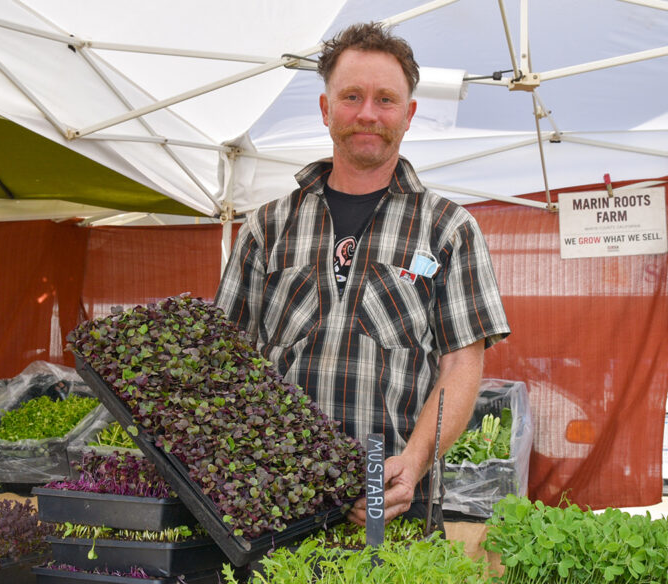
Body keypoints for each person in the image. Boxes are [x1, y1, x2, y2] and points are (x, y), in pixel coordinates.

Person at [214, 22, 510, 528]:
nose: (368, 114)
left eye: (385, 100)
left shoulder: (446, 228)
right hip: (278, 499)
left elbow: (462, 367)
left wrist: (412, 466)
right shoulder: (267, 226)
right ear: (326, 108)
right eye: (351, 96)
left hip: (391, 492)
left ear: (409, 114)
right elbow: (226, 362)